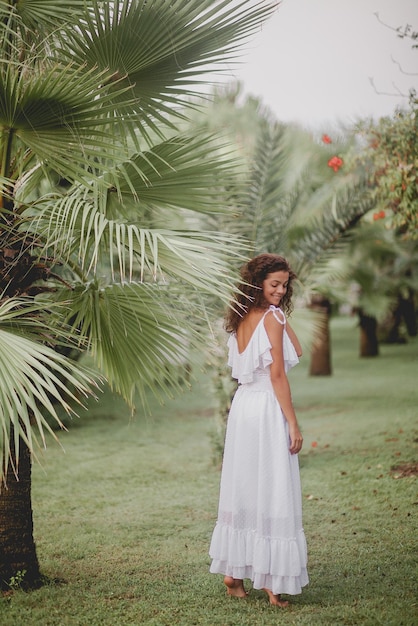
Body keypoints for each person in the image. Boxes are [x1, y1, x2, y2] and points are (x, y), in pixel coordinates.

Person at [209, 253, 308, 607]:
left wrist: (279, 314)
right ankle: (271, 584)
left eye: (285, 285)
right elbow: (279, 374)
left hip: (243, 407)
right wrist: (293, 423)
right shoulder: (271, 317)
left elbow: (294, 348)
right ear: (259, 284)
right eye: (274, 285)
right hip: (267, 408)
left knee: (247, 486)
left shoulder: (240, 316)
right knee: (273, 486)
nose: (281, 291)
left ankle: (234, 575)